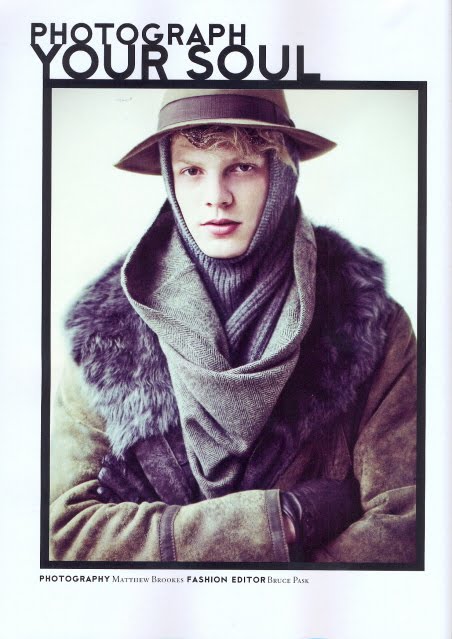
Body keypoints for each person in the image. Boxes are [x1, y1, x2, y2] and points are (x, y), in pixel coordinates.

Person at [49, 88, 417, 563]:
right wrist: (286, 520)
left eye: (241, 167)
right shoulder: (106, 332)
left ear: (281, 173)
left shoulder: (369, 322)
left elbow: (405, 525)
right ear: (170, 178)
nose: (216, 198)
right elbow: (63, 530)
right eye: (192, 171)